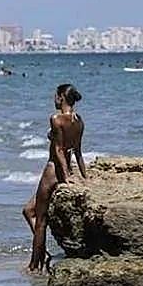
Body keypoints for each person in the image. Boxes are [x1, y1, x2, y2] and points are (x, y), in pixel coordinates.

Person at [23, 84, 86, 272]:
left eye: (55, 96)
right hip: (66, 167)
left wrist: (64, 176)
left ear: (61, 98)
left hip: (52, 171)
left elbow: (58, 150)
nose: (53, 100)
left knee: (40, 221)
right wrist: (83, 176)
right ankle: (42, 253)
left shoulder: (56, 119)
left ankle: (35, 265)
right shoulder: (78, 121)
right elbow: (78, 152)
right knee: (28, 210)